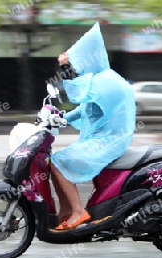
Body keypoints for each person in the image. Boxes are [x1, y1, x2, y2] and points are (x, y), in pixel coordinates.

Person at [50, 23, 135, 230]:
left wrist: (65, 68)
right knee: (53, 162)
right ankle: (66, 209)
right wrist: (61, 118)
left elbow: (77, 92)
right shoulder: (98, 80)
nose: (77, 69)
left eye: (79, 64)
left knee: (59, 161)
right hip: (102, 137)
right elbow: (85, 109)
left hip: (110, 140)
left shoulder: (106, 81)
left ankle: (79, 211)